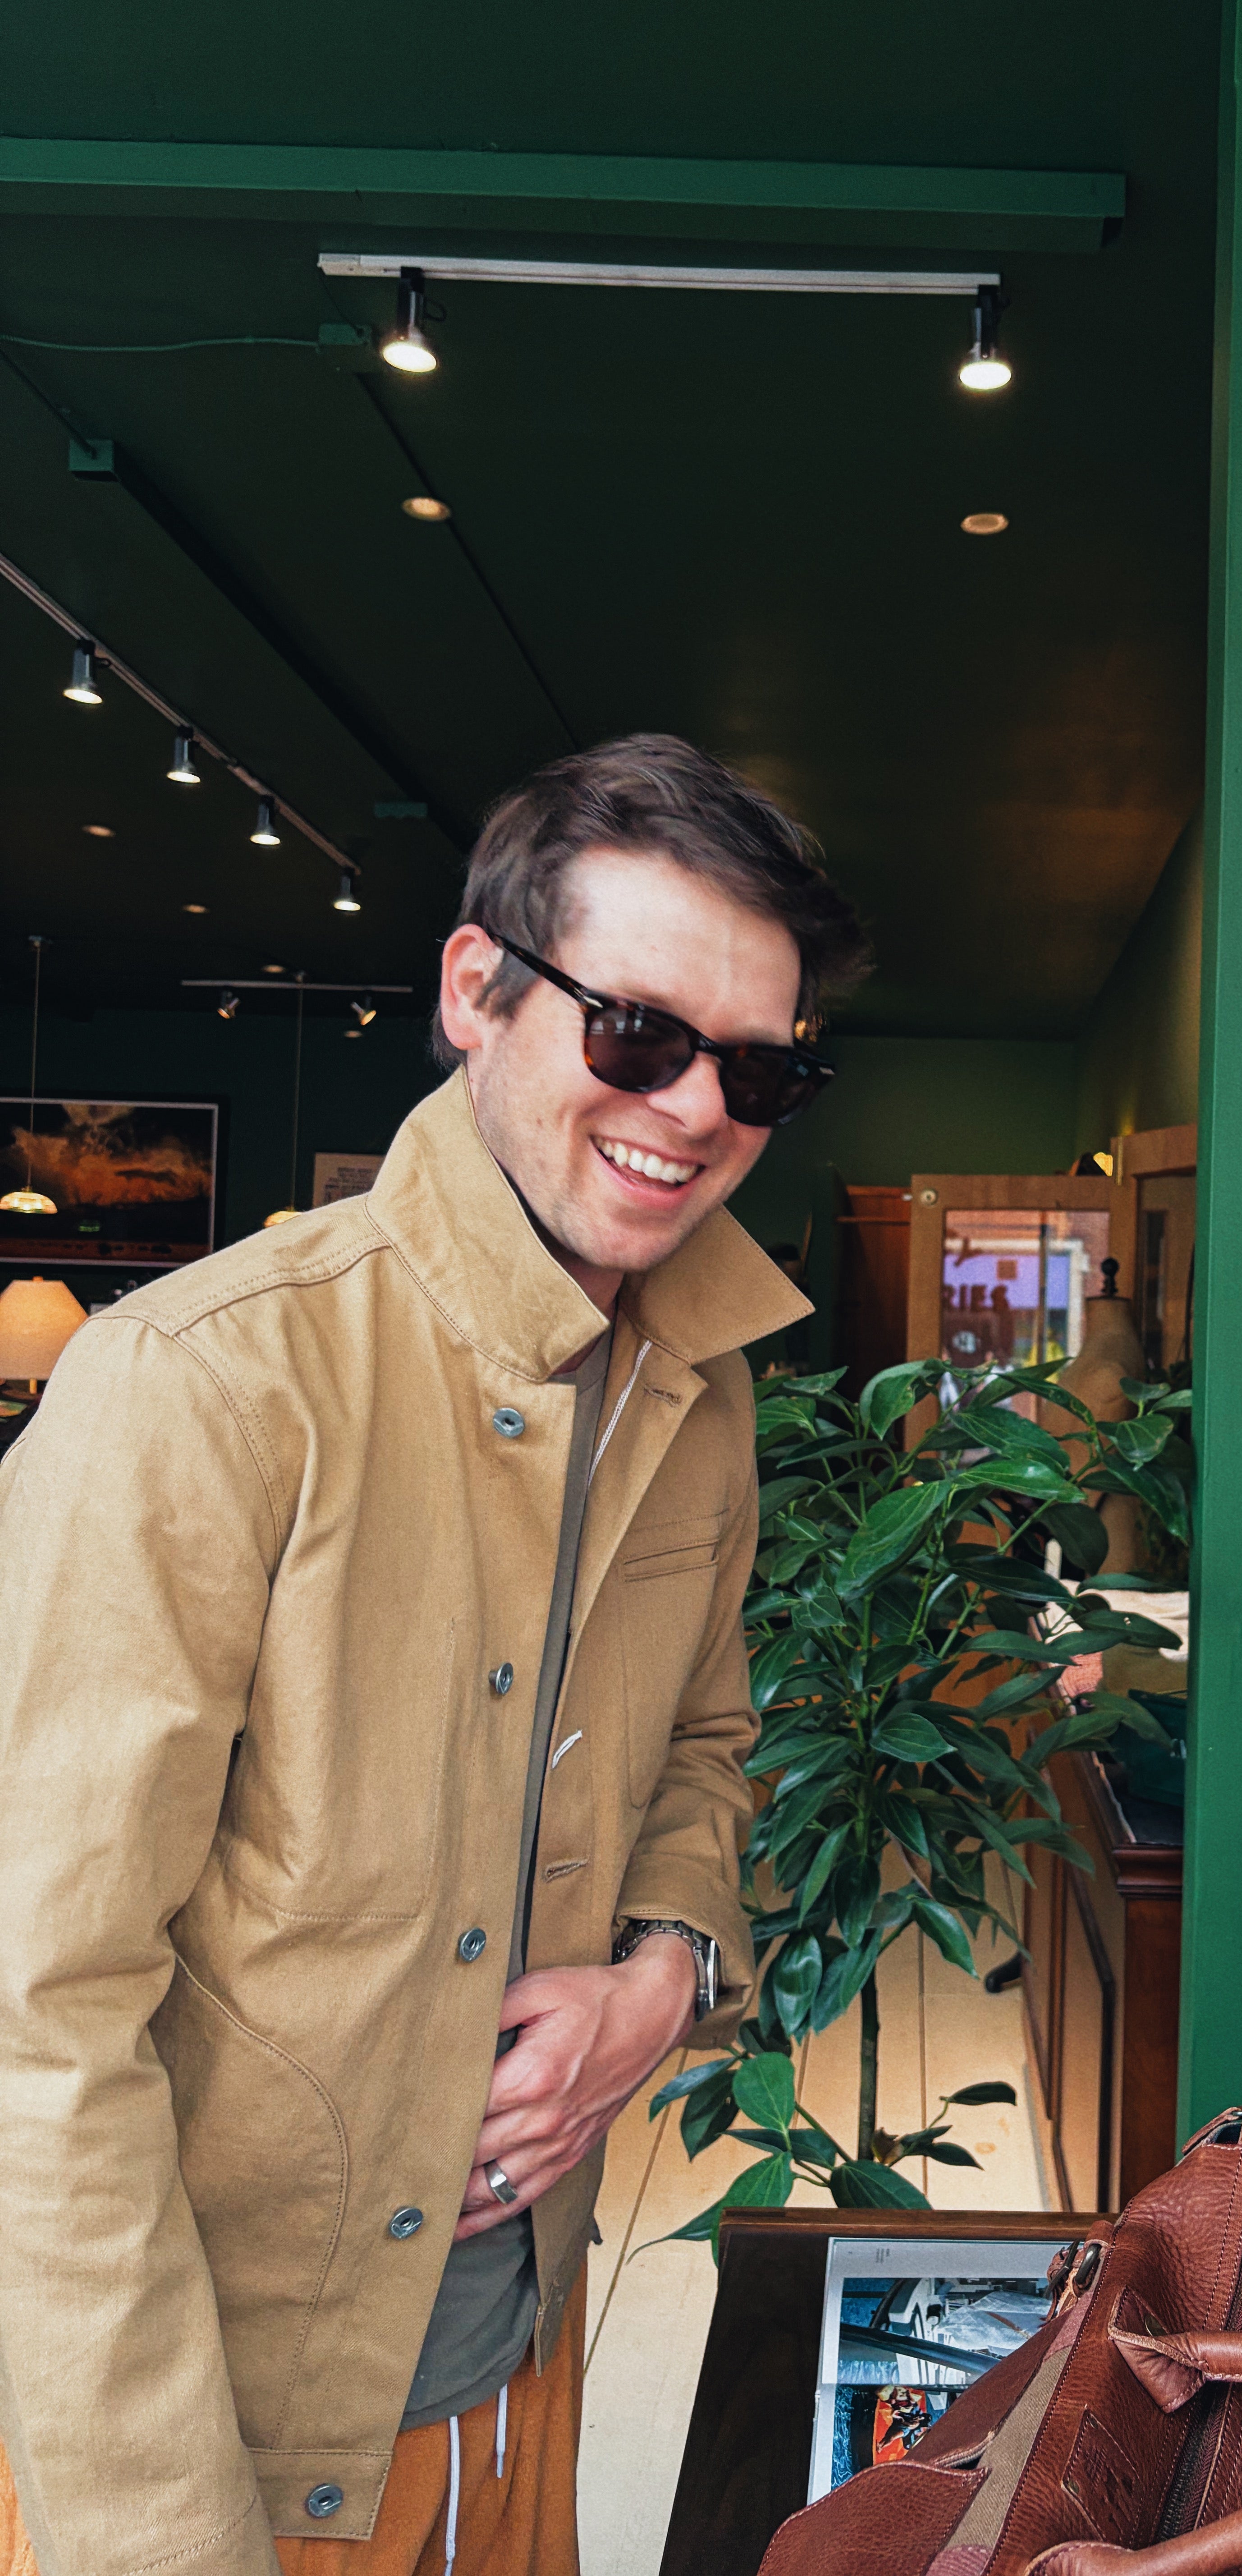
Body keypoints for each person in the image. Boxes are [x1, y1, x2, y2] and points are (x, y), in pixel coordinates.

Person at [0, 736, 868, 2576]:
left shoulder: (702, 1392)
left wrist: (662, 1981)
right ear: (479, 992)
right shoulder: (201, 1385)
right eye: (637, 1030)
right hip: (194, 2433)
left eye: (762, 1067)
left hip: (511, 2360)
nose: (696, 1107)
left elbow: (708, 1745)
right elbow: (35, 2019)